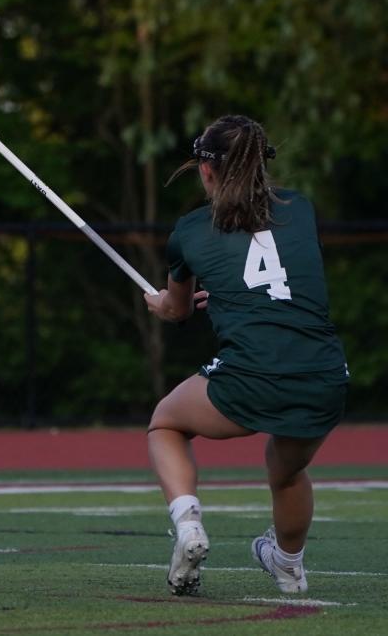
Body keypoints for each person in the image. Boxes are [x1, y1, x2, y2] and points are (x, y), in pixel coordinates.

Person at [144, 115, 349, 596]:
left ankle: (189, 523)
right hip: (324, 374)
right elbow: (280, 279)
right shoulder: (300, 208)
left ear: (206, 170)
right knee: (287, 469)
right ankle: (289, 566)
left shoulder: (191, 229)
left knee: (165, 425)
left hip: (252, 374)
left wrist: (160, 303)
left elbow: (176, 310)